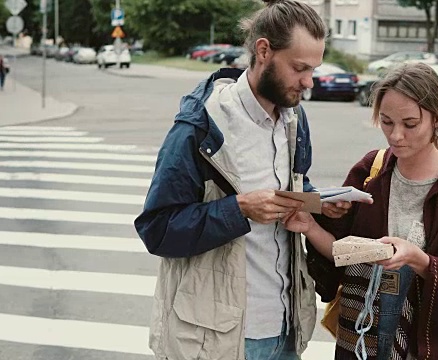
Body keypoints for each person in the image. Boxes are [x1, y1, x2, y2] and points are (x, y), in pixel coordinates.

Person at [135, 1, 350, 359]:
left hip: (287, 328)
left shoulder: (294, 120)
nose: (308, 82)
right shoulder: (201, 126)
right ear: (263, 50)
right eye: (299, 68)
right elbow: (158, 229)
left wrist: (319, 204)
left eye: (313, 69)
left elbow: (294, 188)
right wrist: (240, 209)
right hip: (218, 337)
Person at [284, 62, 438, 360]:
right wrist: (310, 226)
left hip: (420, 344)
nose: (396, 136)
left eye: (410, 124)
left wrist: (418, 259)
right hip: (358, 337)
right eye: (386, 121)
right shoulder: (371, 170)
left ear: (437, 119)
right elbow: (342, 253)